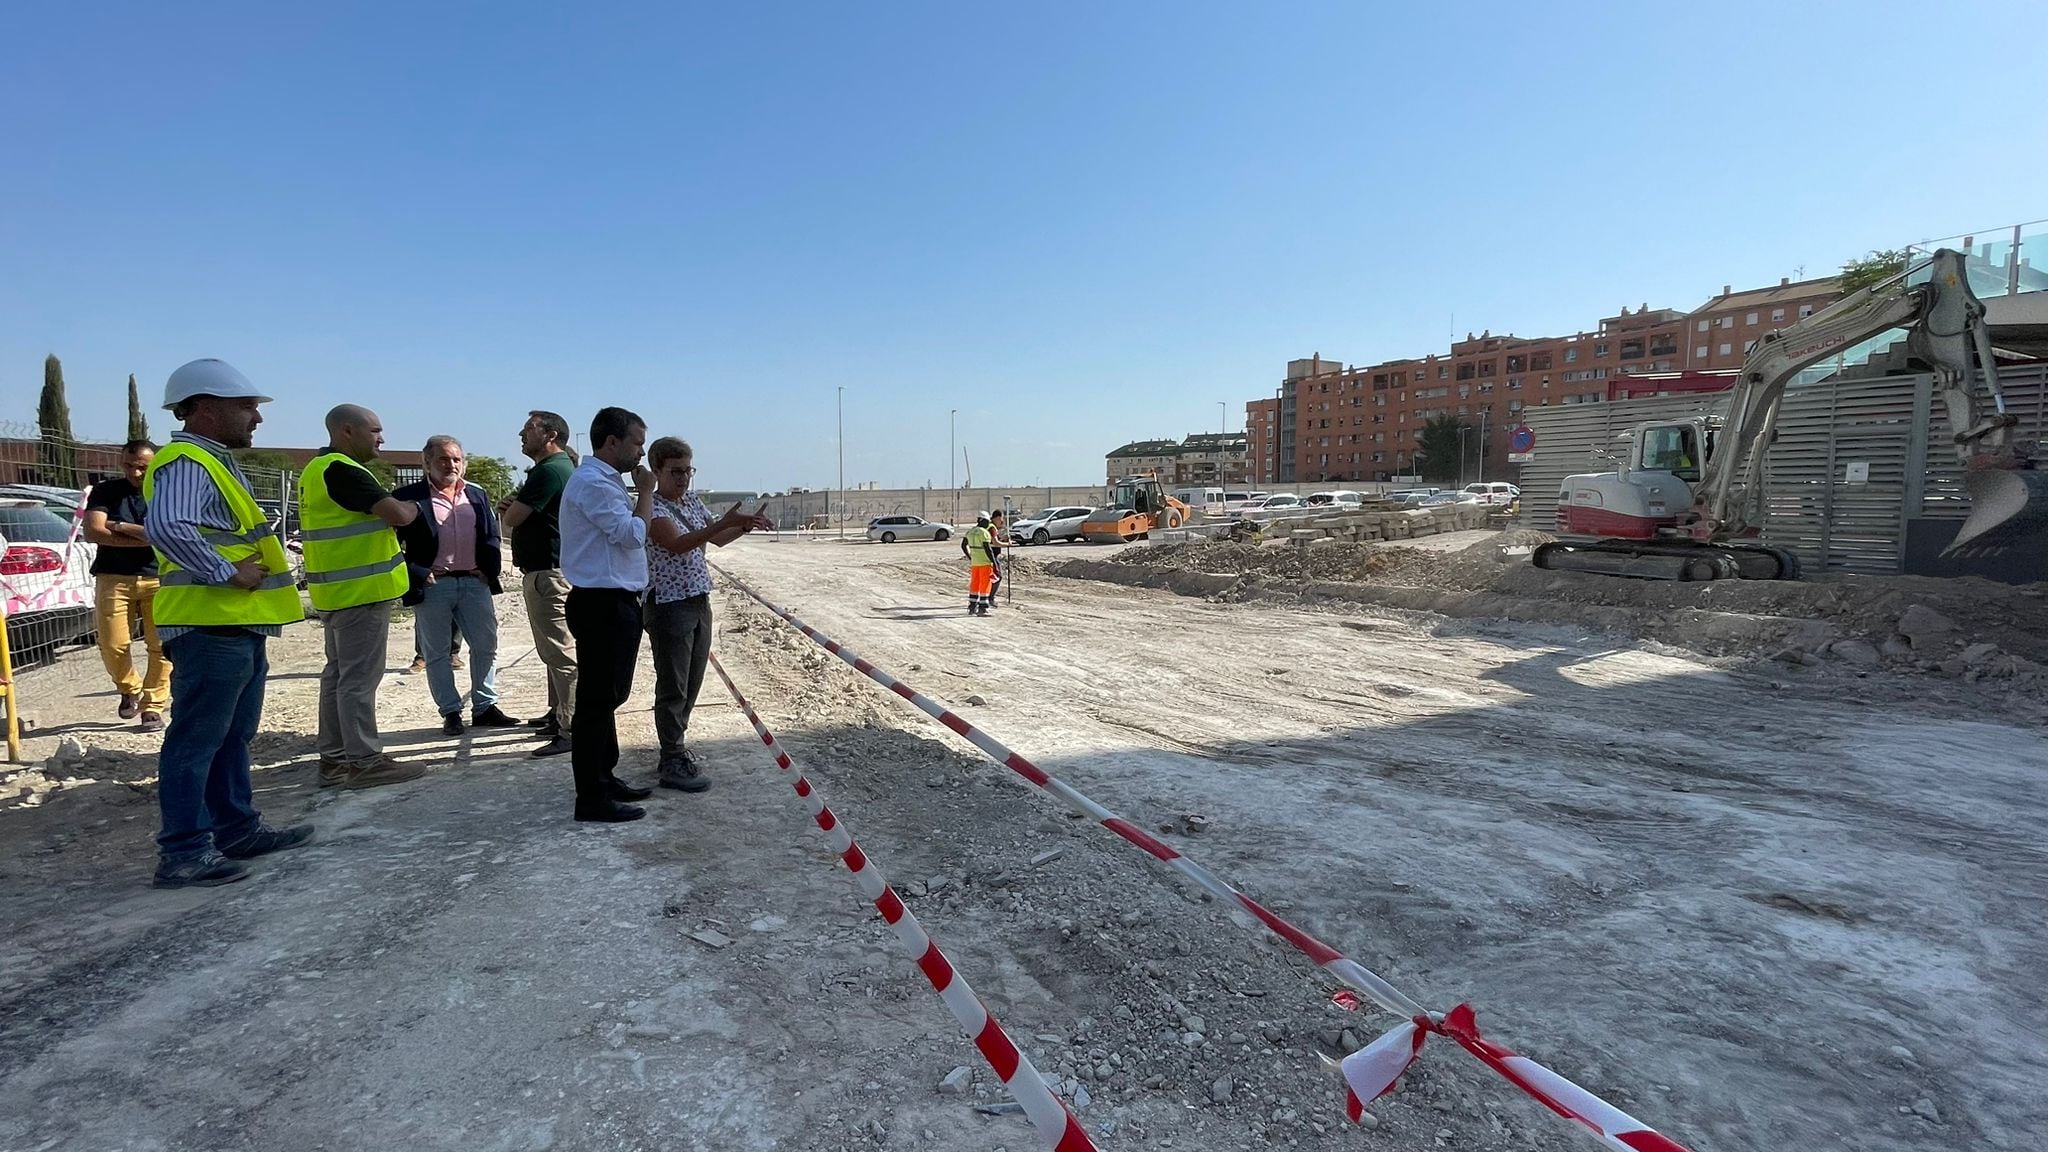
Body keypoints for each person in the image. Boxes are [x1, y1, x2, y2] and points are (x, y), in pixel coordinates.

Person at [141, 359, 313, 888]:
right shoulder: (187, 459)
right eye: (247, 406)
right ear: (207, 406)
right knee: (196, 740)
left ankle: (236, 829)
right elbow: (167, 525)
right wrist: (225, 571)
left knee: (232, 737)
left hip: (235, 625)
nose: (256, 418)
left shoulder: (212, 460)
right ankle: (185, 852)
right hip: (209, 624)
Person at [299, 405, 428, 790]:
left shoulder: (315, 470)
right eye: (374, 430)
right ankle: (365, 761)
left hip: (336, 592)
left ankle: (335, 760)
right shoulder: (345, 470)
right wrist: (413, 506)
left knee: (337, 676)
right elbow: (398, 515)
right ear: (346, 431)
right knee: (357, 680)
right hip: (361, 592)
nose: (381, 438)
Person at [644, 437, 767, 791]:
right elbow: (678, 544)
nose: (683, 479)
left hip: (697, 600)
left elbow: (715, 539)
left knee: (692, 681)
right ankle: (671, 757)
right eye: (675, 472)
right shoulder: (652, 507)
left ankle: (676, 748)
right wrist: (719, 525)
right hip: (669, 604)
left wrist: (743, 525)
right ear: (657, 471)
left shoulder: (691, 501)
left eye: (688, 471)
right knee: (673, 685)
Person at [559, 406, 655, 823]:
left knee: (609, 696)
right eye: (637, 443)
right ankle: (591, 796)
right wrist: (648, 493)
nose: (641, 453)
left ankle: (605, 775)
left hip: (613, 602)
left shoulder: (605, 481)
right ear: (612, 441)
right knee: (597, 701)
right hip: (602, 603)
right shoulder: (594, 483)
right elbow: (632, 535)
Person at [392, 436, 519, 736]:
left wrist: (489, 571)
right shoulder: (407, 496)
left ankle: (485, 706)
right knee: (437, 653)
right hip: (434, 585)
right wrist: (417, 571)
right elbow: (389, 545)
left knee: (486, 646)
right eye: (443, 459)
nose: (451, 465)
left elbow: (490, 534)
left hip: (474, 584)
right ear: (426, 462)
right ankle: (450, 712)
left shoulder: (475, 494)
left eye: (456, 460)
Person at [499, 410, 578, 757]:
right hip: (548, 572)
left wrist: (511, 509)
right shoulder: (553, 470)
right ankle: (557, 713)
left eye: (528, 428)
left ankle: (571, 726)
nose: (520, 433)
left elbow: (514, 518)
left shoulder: (549, 471)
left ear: (550, 435)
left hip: (549, 574)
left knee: (560, 653)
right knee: (552, 651)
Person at [83, 439, 170, 732]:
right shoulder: (106, 491)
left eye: (142, 467)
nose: (135, 473)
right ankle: (128, 688)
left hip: (158, 577)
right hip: (113, 576)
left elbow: (160, 534)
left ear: (154, 464)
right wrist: (141, 534)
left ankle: (153, 706)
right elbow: (94, 530)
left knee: (161, 646)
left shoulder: (164, 491)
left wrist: (117, 525)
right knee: (112, 643)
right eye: (129, 466)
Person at [961, 511, 1000, 616]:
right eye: (987, 521)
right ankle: (983, 609)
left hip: (975, 564)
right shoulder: (984, 533)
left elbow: (963, 545)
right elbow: (988, 550)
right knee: (985, 586)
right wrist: (994, 562)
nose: (988, 524)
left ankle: (972, 607)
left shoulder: (970, 531)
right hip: (985, 563)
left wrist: (970, 556)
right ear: (982, 521)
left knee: (974, 585)